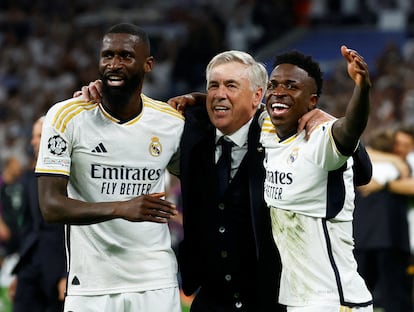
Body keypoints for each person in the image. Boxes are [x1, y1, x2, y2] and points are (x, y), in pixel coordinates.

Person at [79, 49, 372, 311]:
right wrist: (105, 98)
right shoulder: (188, 132)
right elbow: (132, 124)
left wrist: (327, 117)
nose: (219, 94)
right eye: (213, 86)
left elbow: (359, 168)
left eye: (231, 85)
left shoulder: (283, 133)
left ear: (258, 97)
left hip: (274, 298)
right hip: (210, 299)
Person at [35, 23, 184, 312]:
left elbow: (198, 174)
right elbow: (50, 206)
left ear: (148, 64)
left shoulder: (171, 122)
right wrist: (121, 207)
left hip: (155, 280)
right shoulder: (66, 116)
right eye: (107, 56)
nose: (114, 64)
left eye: (126, 56)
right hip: (91, 284)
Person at [260, 46, 373, 310]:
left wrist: (362, 87)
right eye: (273, 85)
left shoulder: (319, 137)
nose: (279, 91)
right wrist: (200, 98)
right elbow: (242, 108)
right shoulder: (267, 131)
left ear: (312, 101)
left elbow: (348, 131)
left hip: (334, 299)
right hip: (299, 299)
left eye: (291, 86)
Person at [9, 116, 66, 312]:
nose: (33, 141)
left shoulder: (71, 178)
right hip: (31, 265)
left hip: (58, 269)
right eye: (34, 136)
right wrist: (19, 270)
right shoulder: (27, 179)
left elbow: (74, 228)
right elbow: (27, 227)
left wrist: (67, 273)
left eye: (39, 135)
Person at [353, 128, 412, 311]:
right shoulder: (391, 164)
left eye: (404, 144)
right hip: (373, 236)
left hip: (382, 236)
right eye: (397, 144)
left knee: (389, 294)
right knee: (361, 293)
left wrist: (383, 184)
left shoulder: (404, 164)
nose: (400, 148)